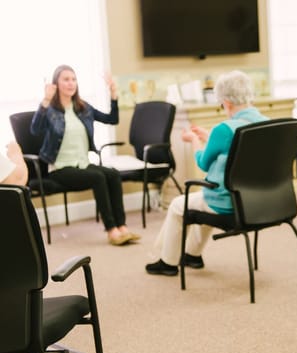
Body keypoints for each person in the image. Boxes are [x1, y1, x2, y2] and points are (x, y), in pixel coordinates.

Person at [145, 70, 268, 276]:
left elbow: (202, 162)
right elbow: (242, 145)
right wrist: (210, 136)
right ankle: (192, 255)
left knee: (179, 204)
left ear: (226, 103)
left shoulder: (225, 129)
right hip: (261, 201)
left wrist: (195, 141)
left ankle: (168, 262)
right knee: (201, 199)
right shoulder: (267, 122)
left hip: (230, 204)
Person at [30, 64, 139, 246]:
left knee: (112, 174)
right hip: (60, 168)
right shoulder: (51, 110)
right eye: (66, 79)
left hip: (82, 164)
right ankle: (111, 230)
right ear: (56, 83)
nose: (71, 83)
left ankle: (122, 227)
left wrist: (113, 94)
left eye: (73, 79)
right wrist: (45, 100)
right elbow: (34, 129)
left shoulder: (83, 108)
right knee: (97, 177)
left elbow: (112, 119)